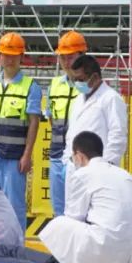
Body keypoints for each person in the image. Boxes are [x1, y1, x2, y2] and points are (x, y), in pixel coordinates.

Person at [39, 131, 132, 263]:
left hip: (109, 241)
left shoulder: (83, 175)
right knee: (102, 228)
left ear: (79, 156)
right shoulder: (124, 174)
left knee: (59, 225)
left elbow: (74, 215)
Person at [0, 32, 43, 227]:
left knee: (14, 206)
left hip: (14, 157)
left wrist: (27, 155)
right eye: (6, 55)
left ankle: (16, 244)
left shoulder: (30, 87)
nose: (10, 59)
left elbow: (33, 123)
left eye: (14, 55)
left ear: (22, 57)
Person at [64, 54, 128, 176]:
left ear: (95, 77)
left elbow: (118, 134)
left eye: (80, 80)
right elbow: (72, 131)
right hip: (74, 165)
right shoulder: (78, 99)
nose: (77, 83)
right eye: (74, 80)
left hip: (99, 168)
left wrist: (108, 164)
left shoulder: (111, 98)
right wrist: (67, 158)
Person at [45, 30, 87, 215]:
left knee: (80, 210)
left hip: (81, 159)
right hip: (56, 155)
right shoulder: (54, 85)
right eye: (62, 57)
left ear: (82, 56)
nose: (66, 62)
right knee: (59, 210)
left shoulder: (91, 86)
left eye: (70, 57)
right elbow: (51, 118)